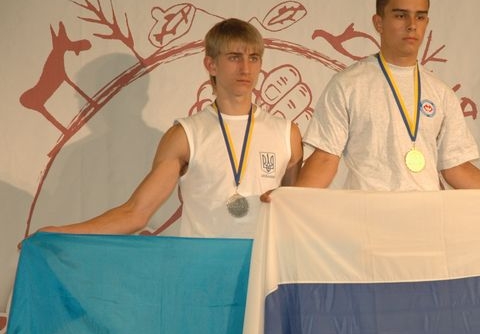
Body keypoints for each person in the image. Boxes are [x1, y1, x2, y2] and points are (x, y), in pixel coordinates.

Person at [38, 18, 303, 238]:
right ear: (211, 64)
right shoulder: (186, 135)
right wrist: (61, 232)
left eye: (254, 57)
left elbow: (299, 217)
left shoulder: (286, 133)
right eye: (234, 57)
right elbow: (137, 213)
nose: (246, 68)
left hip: (265, 273)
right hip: (203, 274)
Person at [295, 0, 480, 194]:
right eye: (400, 15)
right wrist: (287, 202)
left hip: (425, 222)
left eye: (420, 16)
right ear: (378, 22)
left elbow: (456, 168)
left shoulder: (440, 92)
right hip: (368, 222)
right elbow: (325, 159)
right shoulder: (348, 85)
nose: (412, 25)